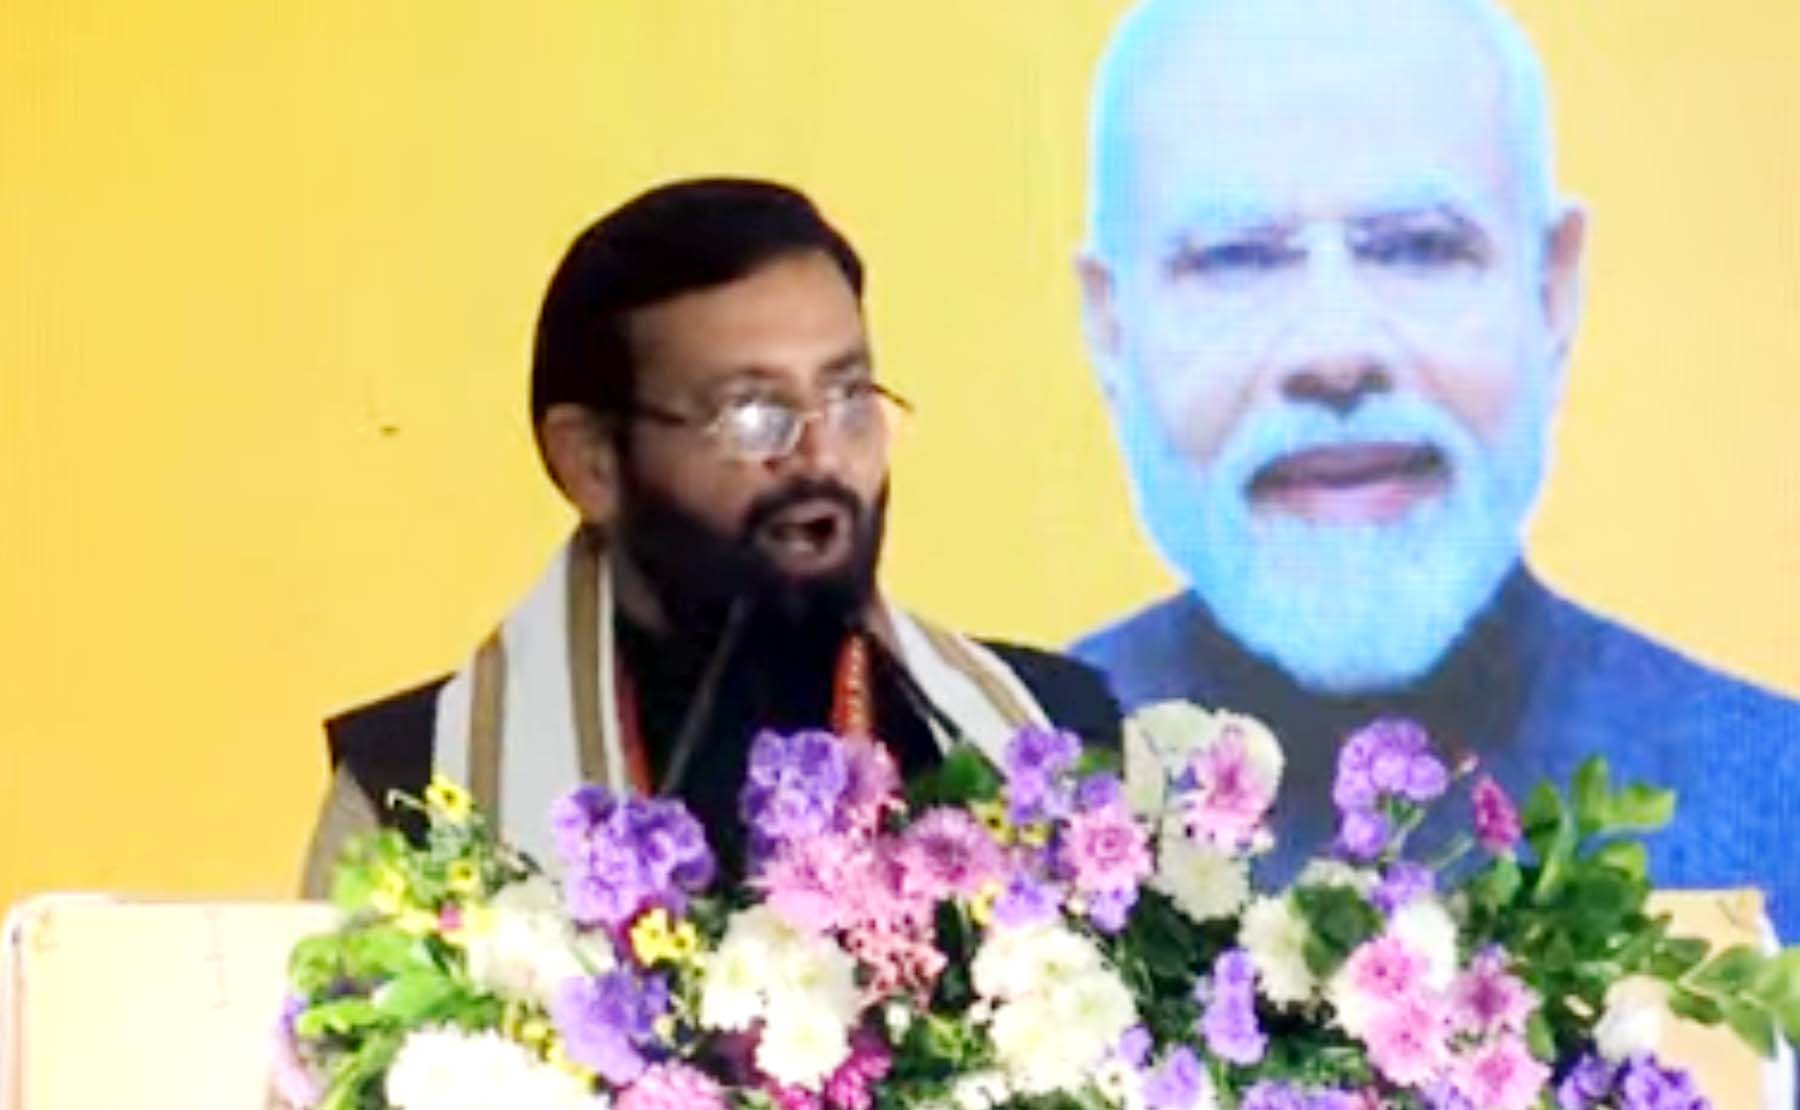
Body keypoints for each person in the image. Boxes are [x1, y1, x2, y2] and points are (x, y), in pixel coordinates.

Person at [1068, 0, 1800, 939]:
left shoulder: (1776, 811)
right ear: (1112, 328)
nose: (1335, 351)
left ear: (1552, 291)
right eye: (1235, 259)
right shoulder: (976, 817)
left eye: (1419, 247)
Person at [302, 178, 1119, 890]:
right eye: (752, 413)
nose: (819, 457)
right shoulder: (414, 799)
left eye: (847, 398)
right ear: (592, 462)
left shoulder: (1059, 742)